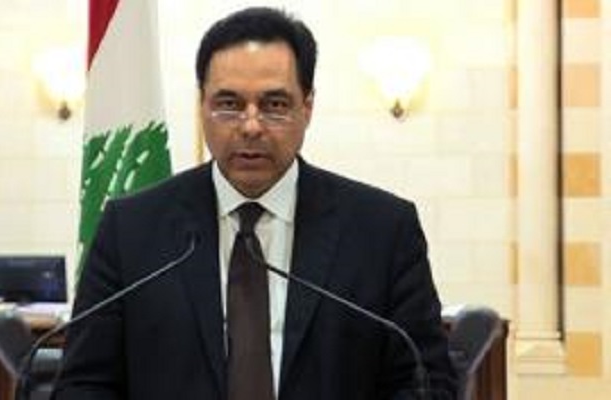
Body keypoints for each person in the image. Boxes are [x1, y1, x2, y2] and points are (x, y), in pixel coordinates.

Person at [53, 6, 456, 400]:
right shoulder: (131, 230)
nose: (250, 126)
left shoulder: (382, 231)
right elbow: (83, 386)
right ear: (202, 106)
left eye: (274, 105)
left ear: (307, 107)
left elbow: (425, 384)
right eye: (228, 104)